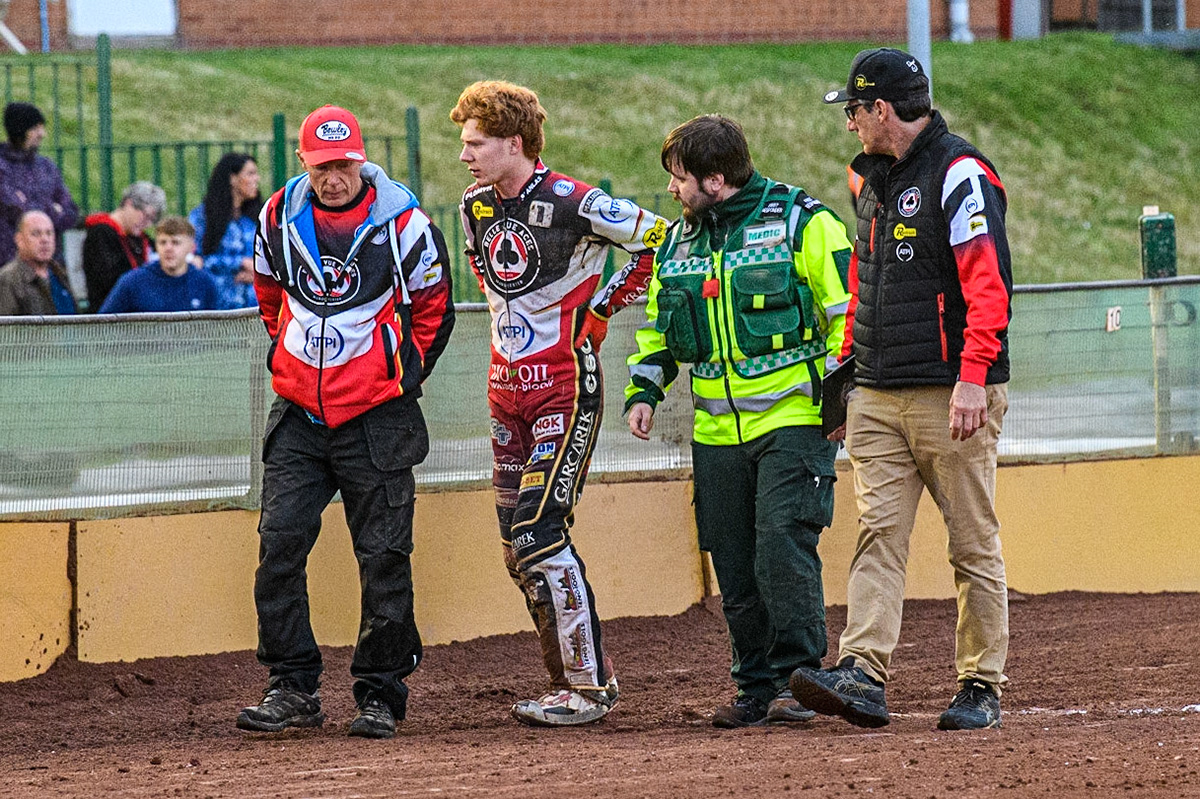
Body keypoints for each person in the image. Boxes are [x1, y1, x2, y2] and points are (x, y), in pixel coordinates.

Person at [789, 48, 1013, 732]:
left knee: (971, 544)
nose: (850, 123)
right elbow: (863, 288)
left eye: (853, 111)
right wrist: (846, 383)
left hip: (951, 395)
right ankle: (862, 672)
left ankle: (980, 683)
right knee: (877, 534)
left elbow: (989, 288)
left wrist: (974, 378)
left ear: (880, 109)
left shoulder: (961, 175)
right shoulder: (871, 184)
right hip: (878, 394)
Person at [624, 114, 853, 728]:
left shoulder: (806, 222)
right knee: (735, 562)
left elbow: (849, 314)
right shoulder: (675, 244)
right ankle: (754, 686)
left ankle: (798, 681)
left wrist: (839, 400)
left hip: (796, 423)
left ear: (715, 180)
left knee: (782, 547)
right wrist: (644, 389)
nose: (672, 190)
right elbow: (657, 328)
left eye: (678, 179)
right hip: (716, 432)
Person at [450, 80, 666, 727]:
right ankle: (565, 682)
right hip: (503, 395)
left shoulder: (576, 200)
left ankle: (590, 687)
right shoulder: (473, 207)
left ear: (514, 143)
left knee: (539, 532)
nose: (465, 155)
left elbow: (659, 238)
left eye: (475, 143)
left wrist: (602, 307)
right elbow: (491, 287)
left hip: (566, 387)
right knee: (517, 549)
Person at [236, 105, 454, 741]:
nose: (333, 177)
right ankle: (291, 685)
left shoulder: (407, 226)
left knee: (384, 556)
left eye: (343, 165)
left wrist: (397, 376)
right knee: (278, 547)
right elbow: (270, 298)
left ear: (361, 160)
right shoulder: (275, 216)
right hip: (299, 416)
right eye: (321, 166)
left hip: (378, 420)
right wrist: (294, 363)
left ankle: (382, 694)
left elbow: (434, 311)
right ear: (304, 164)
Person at [0, 102, 79, 265]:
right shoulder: (3, 167)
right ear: (20, 130)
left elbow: (70, 210)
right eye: (35, 128)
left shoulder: (46, 166)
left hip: (51, 263)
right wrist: (53, 209)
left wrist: (40, 209)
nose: (42, 134)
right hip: (10, 262)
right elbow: (17, 211)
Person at [98, 216, 219, 313]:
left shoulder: (204, 283)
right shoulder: (133, 282)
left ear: (191, 248)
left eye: (175, 243)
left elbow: (218, 330)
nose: (168, 248)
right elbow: (103, 325)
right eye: (162, 242)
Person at [189, 153, 263, 309]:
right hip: (218, 306)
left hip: (254, 307)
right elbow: (196, 260)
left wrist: (257, 274)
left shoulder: (255, 218)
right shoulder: (203, 217)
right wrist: (240, 263)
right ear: (232, 178)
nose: (257, 179)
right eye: (250, 173)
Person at [82, 181, 166, 311]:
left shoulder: (138, 237)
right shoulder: (101, 233)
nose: (147, 224)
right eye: (145, 216)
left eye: (152, 220)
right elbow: (108, 280)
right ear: (129, 203)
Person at [0, 210, 76, 315]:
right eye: (36, 234)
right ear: (19, 240)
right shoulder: (8, 279)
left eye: (49, 233)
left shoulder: (59, 273)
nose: (45, 240)